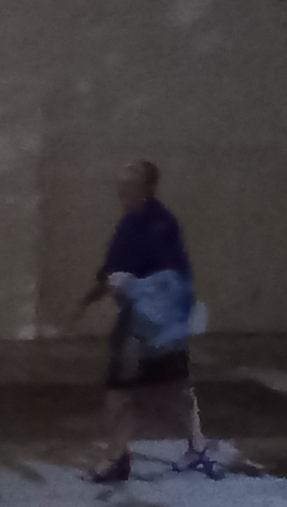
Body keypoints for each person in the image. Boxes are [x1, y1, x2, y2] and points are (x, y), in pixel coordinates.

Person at [79, 159, 217, 484]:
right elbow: (112, 267)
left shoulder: (161, 226)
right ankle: (193, 446)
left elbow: (172, 280)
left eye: (130, 185)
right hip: (148, 322)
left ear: (148, 187)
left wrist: (132, 285)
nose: (122, 191)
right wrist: (93, 295)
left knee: (124, 391)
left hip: (150, 325)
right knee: (169, 388)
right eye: (121, 185)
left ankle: (118, 459)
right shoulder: (131, 222)